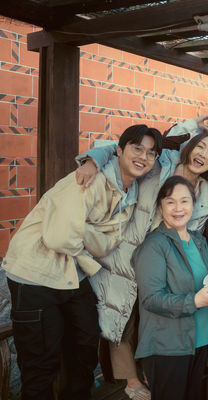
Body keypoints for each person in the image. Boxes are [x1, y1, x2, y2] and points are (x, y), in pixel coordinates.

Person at [2, 125, 162, 400]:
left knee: (85, 347)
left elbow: (107, 244)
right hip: (36, 274)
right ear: (119, 150)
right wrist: (86, 240)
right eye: (137, 148)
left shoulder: (130, 193)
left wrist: (82, 229)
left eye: (151, 153)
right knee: (40, 365)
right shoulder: (89, 179)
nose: (143, 156)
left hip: (73, 275)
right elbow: (59, 238)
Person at [73, 128, 208, 399]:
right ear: (190, 146)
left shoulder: (206, 191)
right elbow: (118, 148)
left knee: (154, 315)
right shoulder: (163, 161)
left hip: (166, 258)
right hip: (128, 250)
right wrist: (91, 161)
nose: (204, 154)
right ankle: (131, 379)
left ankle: (150, 370)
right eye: (201, 146)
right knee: (122, 317)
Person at [132, 176, 208, 400]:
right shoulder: (154, 246)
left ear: (193, 204)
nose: (178, 208)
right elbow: (151, 298)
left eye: (184, 201)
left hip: (200, 342)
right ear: (160, 207)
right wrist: (195, 301)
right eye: (170, 202)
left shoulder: (199, 241)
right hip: (167, 346)